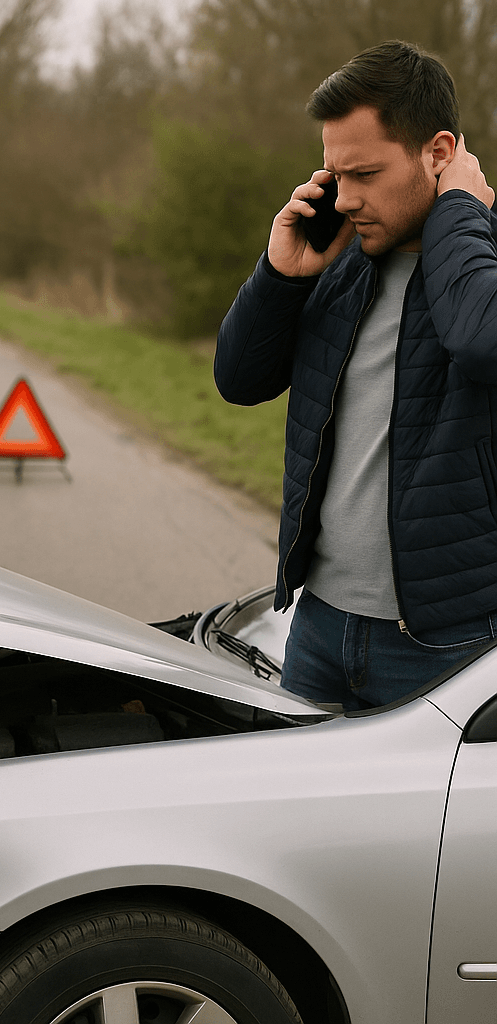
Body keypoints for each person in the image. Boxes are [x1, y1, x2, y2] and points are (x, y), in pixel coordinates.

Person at [215, 40, 497, 711]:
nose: (344, 199)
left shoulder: (483, 265)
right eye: (335, 175)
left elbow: (482, 341)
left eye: (364, 174)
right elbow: (239, 379)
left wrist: (460, 210)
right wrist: (280, 274)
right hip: (317, 627)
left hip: (448, 647)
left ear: (438, 153)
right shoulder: (340, 261)